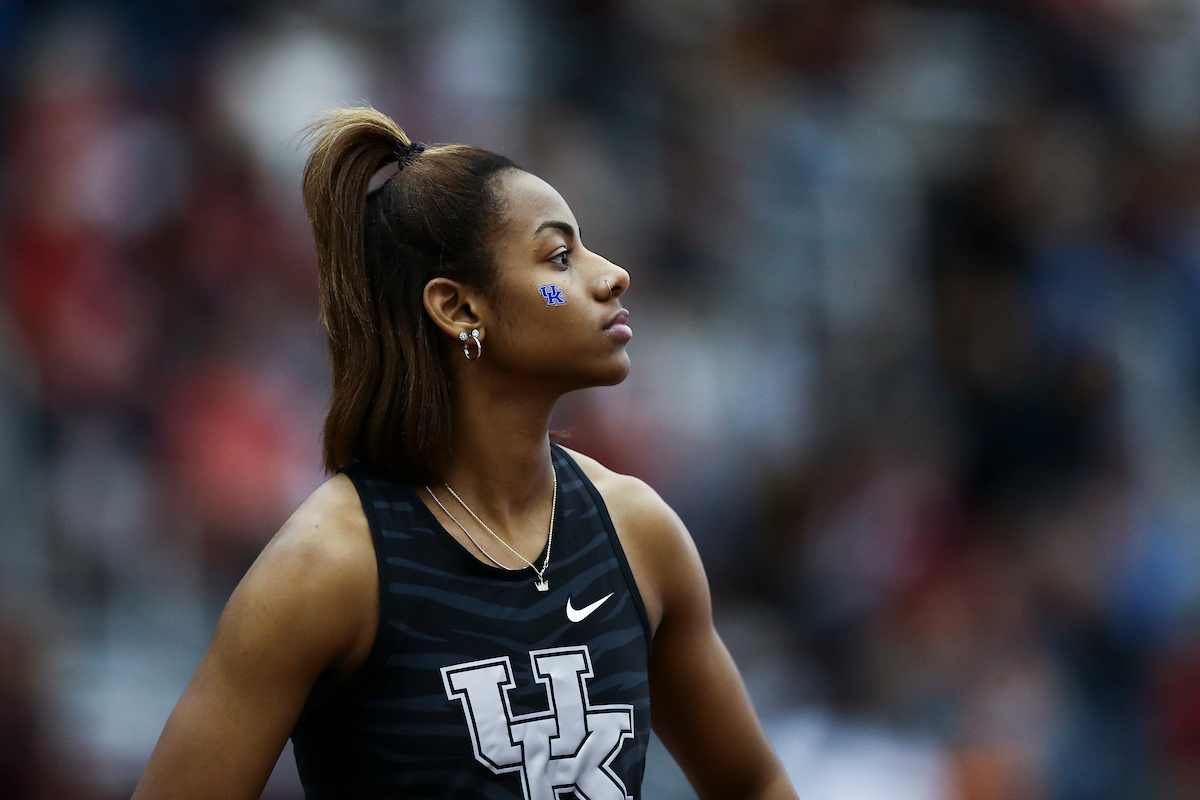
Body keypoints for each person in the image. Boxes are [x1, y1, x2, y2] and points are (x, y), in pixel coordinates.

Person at [132, 107, 799, 800]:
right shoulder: (329, 566)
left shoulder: (638, 533)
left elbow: (754, 782)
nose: (613, 276)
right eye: (559, 258)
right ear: (458, 309)